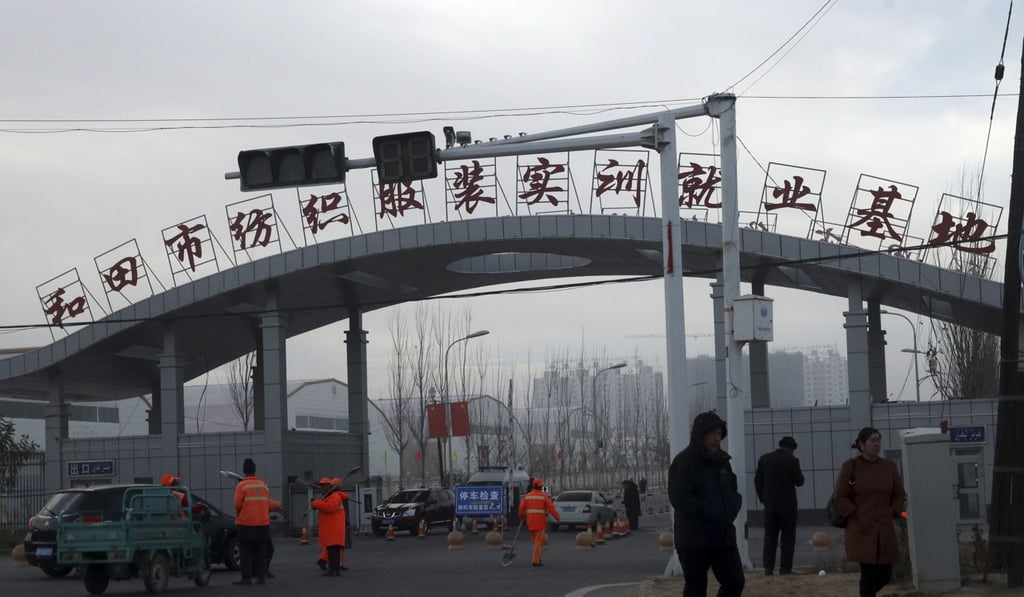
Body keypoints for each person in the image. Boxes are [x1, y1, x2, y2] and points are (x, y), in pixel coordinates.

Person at [668, 411, 745, 597]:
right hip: (693, 539)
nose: (717, 439)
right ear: (701, 433)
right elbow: (679, 497)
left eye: (719, 434)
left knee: (735, 582)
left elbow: (732, 492)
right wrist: (709, 511)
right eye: (712, 434)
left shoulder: (723, 462)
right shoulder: (684, 461)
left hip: (723, 537)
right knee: (696, 588)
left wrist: (731, 510)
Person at [833, 427, 907, 597]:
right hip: (861, 528)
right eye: (872, 441)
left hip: (884, 527)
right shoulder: (851, 467)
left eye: (878, 440)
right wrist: (854, 514)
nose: (877, 444)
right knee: (868, 572)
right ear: (861, 444)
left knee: (885, 573)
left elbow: (899, 493)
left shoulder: (888, 467)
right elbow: (841, 495)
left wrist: (893, 512)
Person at [754, 435, 805, 575]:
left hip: (770, 505)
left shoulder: (764, 459)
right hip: (788, 505)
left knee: (770, 535)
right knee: (788, 536)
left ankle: (768, 568)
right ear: (792, 449)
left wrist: (763, 498)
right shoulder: (792, 461)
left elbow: (758, 481)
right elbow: (800, 481)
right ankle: (785, 568)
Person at [233, 458, 273, 585]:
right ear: (255, 470)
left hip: (246, 523)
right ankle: (261, 577)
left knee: (245, 552)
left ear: (244, 471)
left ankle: (246, 578)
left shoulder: (242, 485)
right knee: (261, 551)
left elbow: (237, 504)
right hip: (262, 523)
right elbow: (267, 502)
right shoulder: (263, 485)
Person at [518, 478, 559, 567]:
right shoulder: (543, 496)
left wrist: (522, 516)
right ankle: (536, 560)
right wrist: (557, 517)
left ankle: (538, 558)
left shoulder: (527, 496)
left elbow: (521, 509)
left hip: (530, 523)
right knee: (538, 543)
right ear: (541, 486)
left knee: (535, 542)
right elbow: (551, 508)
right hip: (540, 523)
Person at [312, 476, 348, 575]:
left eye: (323, 486)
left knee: (333, 550)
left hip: (332, 528)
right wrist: (318, 504)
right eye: (321, 486)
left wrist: (316, 504)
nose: (321, 488)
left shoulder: (334, 496)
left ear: (329, 486)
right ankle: (335, 570)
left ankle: (333, 570)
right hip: (333, 527)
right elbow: (326, 506)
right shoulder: (331, 496)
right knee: (334, 550)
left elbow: (330, 508)